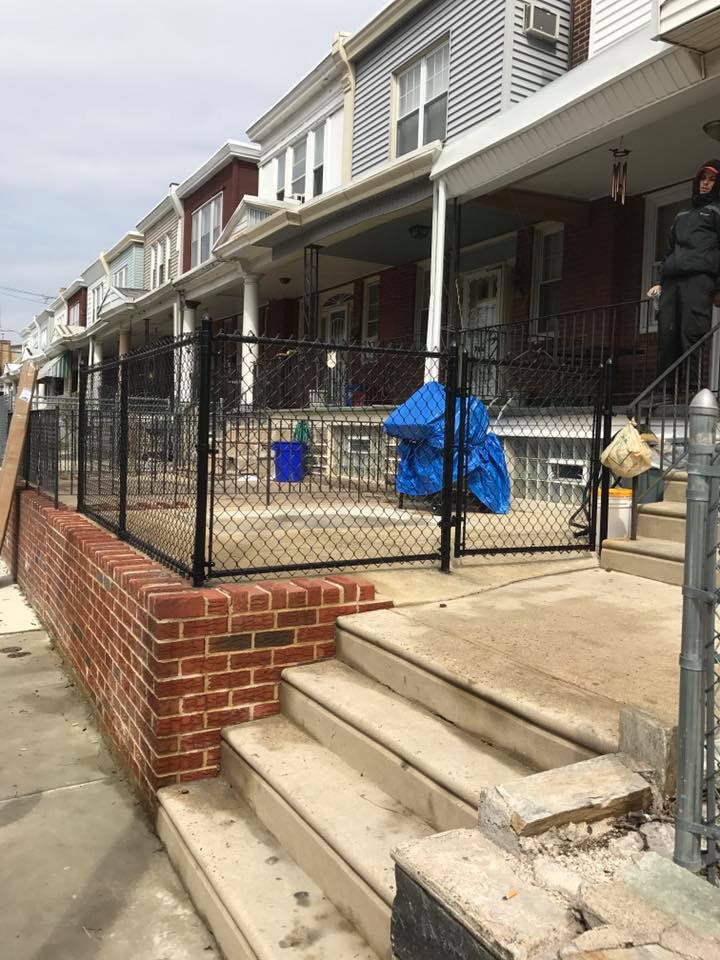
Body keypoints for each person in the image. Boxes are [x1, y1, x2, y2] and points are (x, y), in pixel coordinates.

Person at [648, 159, 720, 373]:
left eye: (712, 179)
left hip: (699, 279)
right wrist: (660, 281)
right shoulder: (682, 214)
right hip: (672, 280)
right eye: (703, 178)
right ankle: (667, 388)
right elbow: (669, 250)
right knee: (667, 334)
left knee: (691, 332)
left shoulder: (717, 211)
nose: (705, 183)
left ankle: (691, 388)